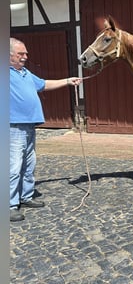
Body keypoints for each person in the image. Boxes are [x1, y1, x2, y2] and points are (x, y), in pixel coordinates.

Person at [10, 37, 82, 222]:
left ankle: (25, 197)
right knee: (13, 167)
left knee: (28, 165)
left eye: (25, 52)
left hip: (29, 126)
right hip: (12, 127)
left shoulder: (25, 73)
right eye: (21, 53)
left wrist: (67, 80)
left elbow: (44, 84)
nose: (26, 56)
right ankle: (9, 205)